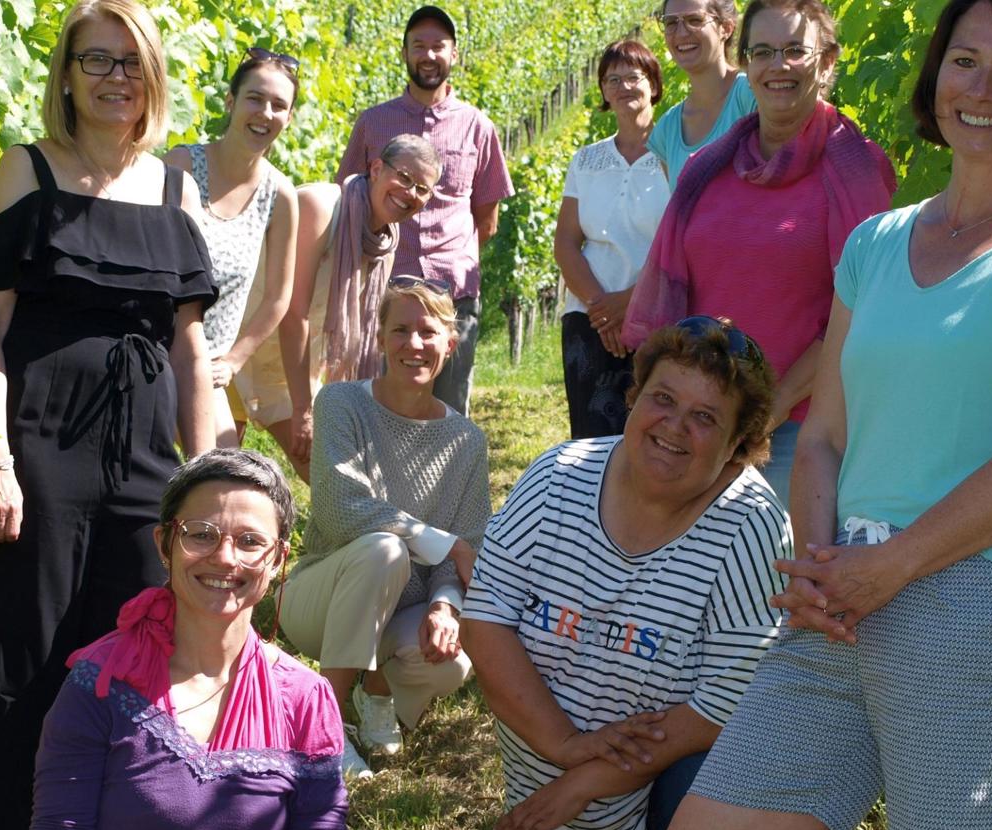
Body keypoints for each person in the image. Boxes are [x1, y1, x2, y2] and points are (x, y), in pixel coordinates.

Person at [658, 1, 992, 830]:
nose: (981, 89)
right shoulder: (876, 243)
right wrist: (817, 568)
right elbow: (824, 436)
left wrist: (894, 565)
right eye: (965, 61)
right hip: (841, 595)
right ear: (936, 74)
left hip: (979, 596)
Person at [0, 0, 217, 830]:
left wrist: (212, 477)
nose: (114, 78)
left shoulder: (175, 187)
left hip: (146, 450)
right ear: (66, 75)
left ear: (153, 78)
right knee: (25, 637)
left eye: (130, 62)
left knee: (138, 634)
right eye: (96, 60)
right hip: (40, 440)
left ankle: (120, 827)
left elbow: (189, 349)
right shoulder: (26, 171)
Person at [461, 317, 791, 830]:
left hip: (656, 791)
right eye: (663, 398)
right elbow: (485, 621)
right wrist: (564, 744)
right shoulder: (557, 475)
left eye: (705, 417)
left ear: (738, 444)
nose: (674, 426)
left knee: (717, 767)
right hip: (542, 786)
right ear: (634, 398)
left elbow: (726, 704)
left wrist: (585, 780)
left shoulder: (751, 523)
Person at [624, 0, 896, 505]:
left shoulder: (856, 170)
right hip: (699, 423)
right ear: (745, 63)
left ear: (827, 61)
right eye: (764, 51)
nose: (778, 65)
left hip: (798, 431)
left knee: (775, 557)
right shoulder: (707, 168)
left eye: (795, 50)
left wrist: (768, 411)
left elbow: (866, 311)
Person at [29, 449, 347, 830]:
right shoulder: (102, 681)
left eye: (250, 541)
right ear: (165, 544)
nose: (225, 557)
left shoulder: (306, 698)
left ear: (278, 560)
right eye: (201, 534)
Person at [277, 277, 491, 778]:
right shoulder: (341, 403)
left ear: (450, 344)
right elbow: (339, 507)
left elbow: (468, 546)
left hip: (400, 613)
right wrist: (444, 543)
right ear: (380, 339)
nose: (414, 344)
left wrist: (444, 605)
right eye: (400, 330)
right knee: (385, 550)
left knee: (454, 661)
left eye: (428, 332)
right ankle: (322, 724)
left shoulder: (466, 441)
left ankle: (376, 692)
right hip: (320, 600)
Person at [334, 4, 514, 416]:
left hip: (452, 298)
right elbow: (348, 201)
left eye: (438, 46)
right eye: (419, 46)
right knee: (379, 412)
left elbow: (486, 221)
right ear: (404, 53)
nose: (429, 55)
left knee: (448, 413)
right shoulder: (373, 123)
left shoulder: (478, 127)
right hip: (383, 295)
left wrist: (453, 259)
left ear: (454, 55)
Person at [231, 134, 441, 481]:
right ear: (376, 168)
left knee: (333, 475)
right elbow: (293, 313)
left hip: (291, 366)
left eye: (422, 189)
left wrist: (346, 410)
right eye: (404, 178)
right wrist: (304, 410)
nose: (410, 193)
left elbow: (357, 333)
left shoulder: (386, 241)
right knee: (218, 467)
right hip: (239, 346)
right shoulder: (321, 206)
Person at [164, 47, 300, 448]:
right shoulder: (181, 165)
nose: (265, 113)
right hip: (151, 349)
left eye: (279, 105)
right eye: (255, 98)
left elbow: (278, 297)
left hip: (206, 367)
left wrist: (233, 360)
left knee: (221, 473)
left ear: (289, 118)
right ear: (231, 101)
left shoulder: (280, 195)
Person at [554, 40, 670, 439]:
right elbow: (566, 244)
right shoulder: (586, 160)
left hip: (658, 317)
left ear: (653, 84)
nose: (623, 87)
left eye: (633, 77)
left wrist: (631, 305)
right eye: (612, 80)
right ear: (603, 90)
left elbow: (682, 245)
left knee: (652, 438)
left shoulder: (675, 155)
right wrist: (602, 311)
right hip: (588, 319)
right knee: (591, 441)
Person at [648, 0, 757, 189]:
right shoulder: (667, 129)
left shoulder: (751, 95)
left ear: (726, 28)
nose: (681, 33)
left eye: (695, 20)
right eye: (671, 22)